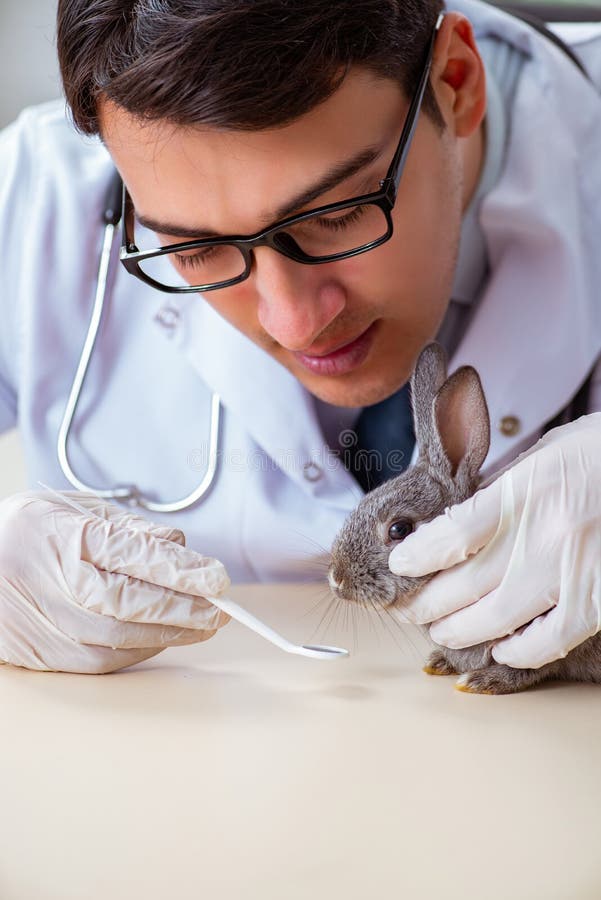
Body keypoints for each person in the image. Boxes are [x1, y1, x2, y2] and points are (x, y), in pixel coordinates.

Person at [0, 0, 599, 674]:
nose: (294, 321)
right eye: (193, 249)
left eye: (338, 212)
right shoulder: (31, 196)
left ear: (453, 82)